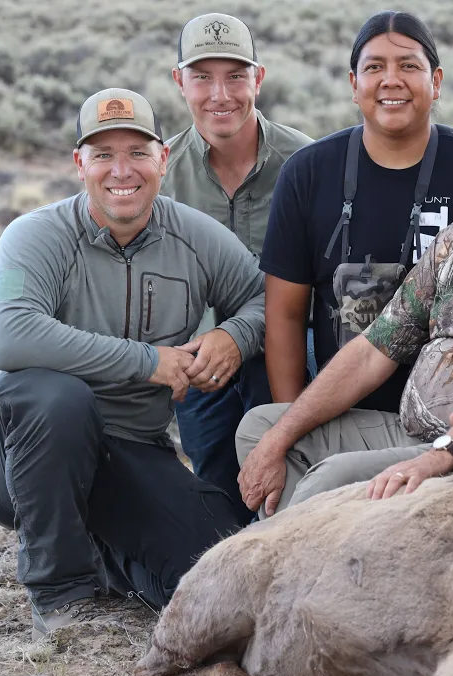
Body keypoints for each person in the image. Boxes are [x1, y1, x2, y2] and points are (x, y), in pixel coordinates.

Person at [0, 89, 265, 638]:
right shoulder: (34, 236)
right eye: (103, 154)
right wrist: (146, 361)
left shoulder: (194, 236)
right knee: (58, 398)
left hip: (131, 450)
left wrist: (234, 334)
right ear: (79, 163)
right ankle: (59, 590)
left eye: (137, 151)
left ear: (163, 158)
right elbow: (5, 336)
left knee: (216, 565)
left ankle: (104, 550)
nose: (121, 170)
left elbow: (266, 297)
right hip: (22, 458)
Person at [235, 78, 453, 517]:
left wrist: (439, 455)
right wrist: (282, 435)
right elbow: (371, 352)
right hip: (407, 432)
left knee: (327, 481)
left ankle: (303, 566)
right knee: (262, 429)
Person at [259, 10, 453, 410]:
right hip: (343, 414)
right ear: (353, 83)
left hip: (450, 419)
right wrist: (292, 426)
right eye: (374, 66)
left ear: (437, 81)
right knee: (255, 431)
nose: (390, 79)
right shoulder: (308, 173)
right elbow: (285, 317)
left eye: (409, 65)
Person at [161, 12, 313, 524]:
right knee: (219, 499)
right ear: (179, 81)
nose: (220, 95)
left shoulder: (308, 163)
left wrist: (239, 336)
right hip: (198, 368)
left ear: (259, 79)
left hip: (290, 351)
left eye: (236, 76)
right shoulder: (158, 175)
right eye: (202, 76)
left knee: (288, 484)